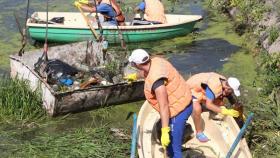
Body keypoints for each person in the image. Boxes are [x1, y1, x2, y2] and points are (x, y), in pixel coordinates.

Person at [124, 49, 193, 158]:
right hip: (185, 99)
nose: (132, 65)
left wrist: (165, 130)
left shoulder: (156, 82)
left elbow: (164, 106)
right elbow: (145, 71)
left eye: (133, 63)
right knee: (170, 143)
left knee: (174, 149)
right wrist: (134, 76)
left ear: (137, 64)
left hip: (179, 110)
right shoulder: (155, 61)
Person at [186, 72, 241, 142]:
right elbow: (209, 105)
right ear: (227, 88)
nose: (231, 93)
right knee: (197, 109)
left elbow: (230, 97)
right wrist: (225, 111)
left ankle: (203, 105)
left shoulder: (225, 83)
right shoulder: (214, 87)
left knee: (220, 103)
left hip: (203, 89)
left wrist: (239, 111)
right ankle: (199, 133)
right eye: (232, 91)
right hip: (192, 90)